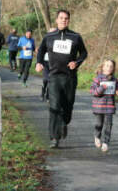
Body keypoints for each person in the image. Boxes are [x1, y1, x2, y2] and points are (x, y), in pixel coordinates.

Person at [36, 9, 88, 148]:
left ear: (68, 20)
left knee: (67, 106)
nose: (63, 20)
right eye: (61, 18)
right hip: (54, 76)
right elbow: (41, 50)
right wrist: (39, 62)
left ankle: (64, 122)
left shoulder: (75, 37)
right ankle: (54, 137)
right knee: (54, 106)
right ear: (57, 20)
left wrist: (76, 62)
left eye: (66, 18)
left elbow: (84, 53)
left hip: (69, 78)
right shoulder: (49, 37)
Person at [90, 59, 118, 152]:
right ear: (103, 67)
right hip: (99, 106)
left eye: (111, 66)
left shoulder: (115, 80)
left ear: (113, 69)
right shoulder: (98, 78)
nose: (109, 68)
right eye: (107, 65)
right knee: (99, 124)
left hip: (109, 106)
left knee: (109, 125)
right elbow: (93, 91)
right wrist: (101, 88)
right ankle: (97, 136)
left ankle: (106, 142)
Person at [40, 27, 56, 102]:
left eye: (54, 32)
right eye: (51, 32)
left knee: (51, 80)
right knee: (45, 80)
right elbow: (40, 51)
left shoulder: (58, 41)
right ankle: (42, 92)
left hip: (54, 63)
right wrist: (39, 63)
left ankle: (48, 96)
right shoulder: (45, 40)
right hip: (45, 62)